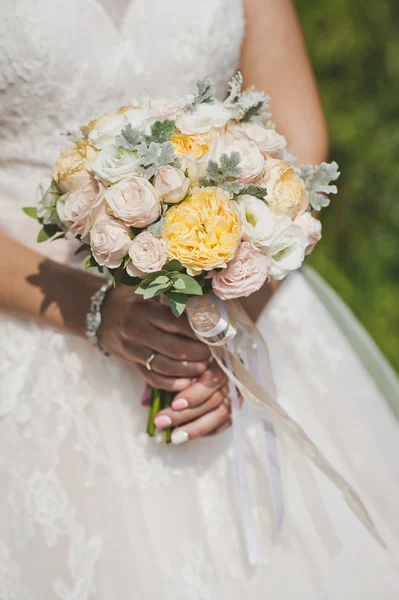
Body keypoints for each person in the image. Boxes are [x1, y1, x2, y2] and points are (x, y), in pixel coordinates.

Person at [0, 0, 398, 597]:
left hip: (238, 299)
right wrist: (98, 309)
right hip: (28, 311)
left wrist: (228, 321)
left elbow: (301, 138)